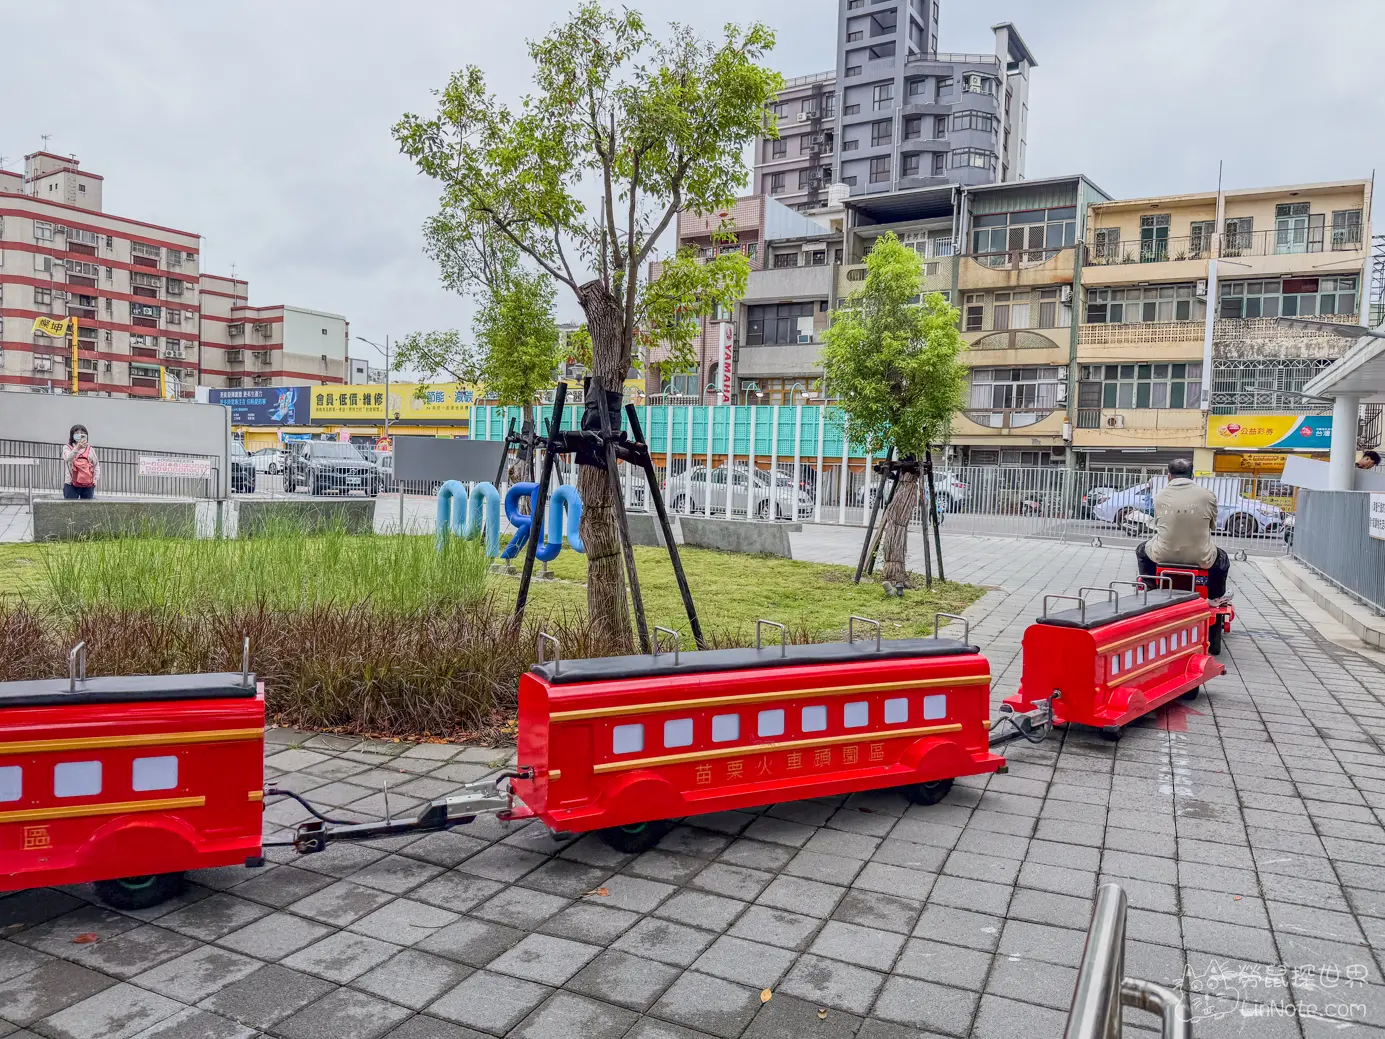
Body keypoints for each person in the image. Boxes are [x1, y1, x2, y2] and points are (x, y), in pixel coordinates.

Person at [1135, 458, 1229, 601]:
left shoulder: (1159, 496)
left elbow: (1160, 523)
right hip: (1200, 557)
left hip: (1163, 555)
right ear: (1192, 476)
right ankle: (1215, 596)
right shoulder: (1207, 495)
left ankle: (1150, 587)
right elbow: (1212, 525)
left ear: (1169, 476)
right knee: (1223, 559)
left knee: (1141, 549)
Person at [61, 424, 100, 500]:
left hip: (88, 483)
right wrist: (77, 448)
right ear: (72, 435)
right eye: (77, 433)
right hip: (71, 483)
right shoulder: (67, 447)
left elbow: (96, 465)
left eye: (83, 433)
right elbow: (68, 458)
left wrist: (95, 479)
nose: (80, 435)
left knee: (87, 508)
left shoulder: (90, 449)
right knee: (70, 507)